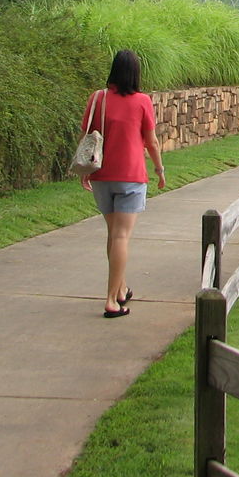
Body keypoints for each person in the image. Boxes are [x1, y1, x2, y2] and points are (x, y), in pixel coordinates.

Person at [81, 49, 165, 318]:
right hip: (131, 176)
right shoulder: (142, 101)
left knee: (113, 235)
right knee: (121, 236)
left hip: (101, 175)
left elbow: (87, 136)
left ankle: (121, 288)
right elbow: (151, 141)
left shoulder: (98, 98)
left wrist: (85, 170)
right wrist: (160, 169)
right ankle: (111, 300)